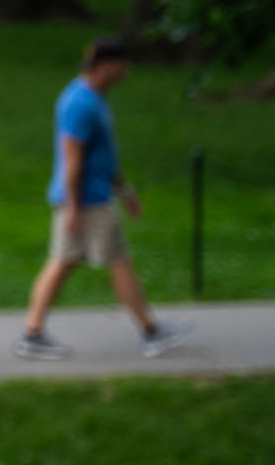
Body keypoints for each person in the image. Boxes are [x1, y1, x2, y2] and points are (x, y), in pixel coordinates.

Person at [17, 37, 193, 360]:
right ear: (107, 66)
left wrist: (123, 189)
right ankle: (150, 331)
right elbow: (72, 159)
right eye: (123, 65)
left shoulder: (95, 98)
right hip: (87, 201)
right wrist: (73, 207)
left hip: (93, 196)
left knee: (68, 262)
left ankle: (33, 333)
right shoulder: (80, 103)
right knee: (115, 262)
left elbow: (103, 154)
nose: (126, 72)